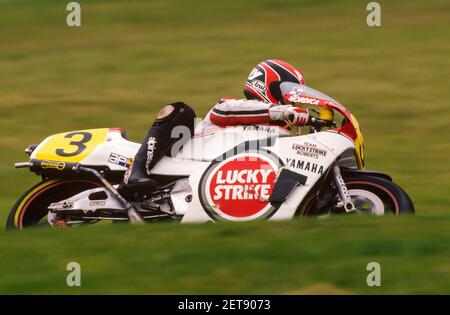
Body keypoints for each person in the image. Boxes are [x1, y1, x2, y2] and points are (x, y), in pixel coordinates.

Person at [124, 59, 310, 187]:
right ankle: (136, 170)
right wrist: (284, 111)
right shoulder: (232, 105)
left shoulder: (277, 131)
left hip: (222, 177)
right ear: (269, 86)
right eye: (288, 93)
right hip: (182, 154)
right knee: (181, 111)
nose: (292, 101)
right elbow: (225, 110)